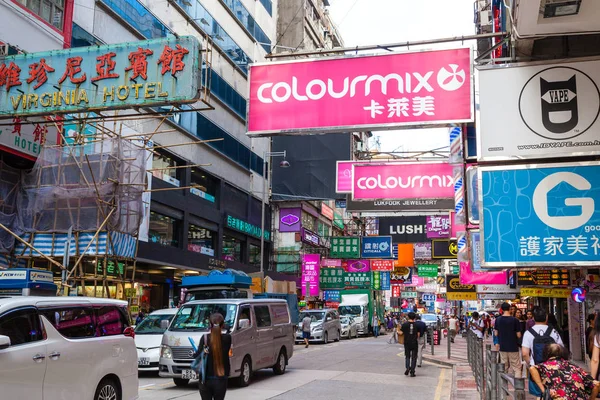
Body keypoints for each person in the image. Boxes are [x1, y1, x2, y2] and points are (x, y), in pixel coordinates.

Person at [530, 343, 600, 400]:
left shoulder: (545, 366)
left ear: (546, 354)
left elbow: (532, 368)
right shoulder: (575, 367)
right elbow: (596, 385)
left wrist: (544, 390)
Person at [522, 307, 564, 397]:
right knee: (554, 392)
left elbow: (525, 353)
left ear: (533, 318)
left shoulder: (528, 333)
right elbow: (561, 349)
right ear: (546, 318)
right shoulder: (553, 331)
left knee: (539, 393)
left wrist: (531, 363)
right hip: (553, 367)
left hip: (536, 367)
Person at [198, 313, 232, 400]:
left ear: (210, 325)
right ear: (223, 325)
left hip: (205, 380)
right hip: (221, 379)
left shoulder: (205, 338)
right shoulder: (227, 338)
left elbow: (197, 355)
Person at [494, 302, 522, 378]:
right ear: (510, 309)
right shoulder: (515, 320)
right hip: (513, 347)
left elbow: (496, 334)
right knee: (517, 368)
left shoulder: (498, 320)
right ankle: (518, 387)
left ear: (501, 309)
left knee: (504, 367)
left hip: (502, 346)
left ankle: (503, 387)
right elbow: (519, 335)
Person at [401, 312, 420, 377]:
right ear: (414, 317)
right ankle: (412, 371)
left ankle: (407, 367)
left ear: (408, 317)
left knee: (407, 356)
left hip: (407, 342)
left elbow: (401, 332)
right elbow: (418, 334)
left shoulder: (404, 324)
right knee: (414, 357)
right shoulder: (417, 325)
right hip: (414, 342)